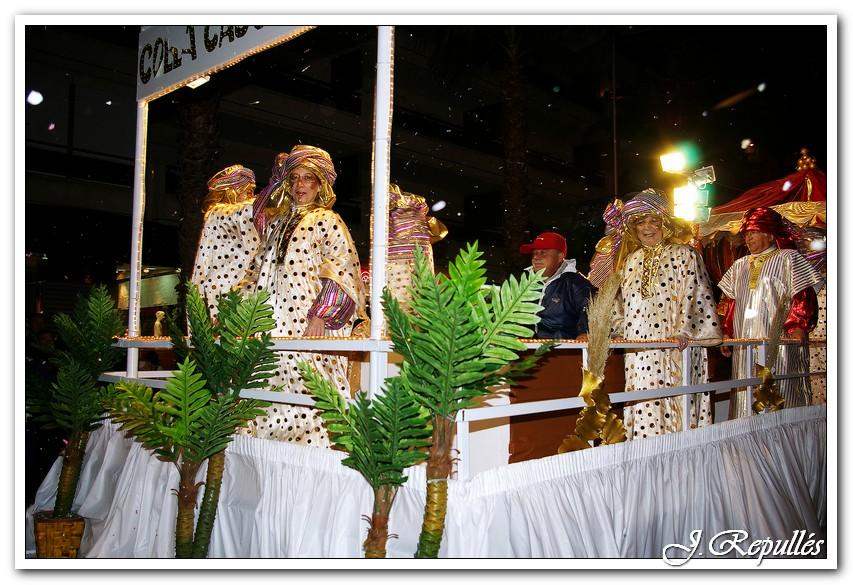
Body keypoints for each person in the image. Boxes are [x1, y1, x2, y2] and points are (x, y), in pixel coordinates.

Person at [238, 144, 366, 446]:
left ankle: (312, 453)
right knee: (265, 381)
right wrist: (237, 311)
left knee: (309, 384)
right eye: (294, 178)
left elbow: (343, 269)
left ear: (320, 184)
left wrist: (322, 315)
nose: (300, 185)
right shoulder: (276, 223)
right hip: (268, 320)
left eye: (308, 178)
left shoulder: (328, 220)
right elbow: (255, 269)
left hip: (306, 322)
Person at [589, 189, 721, 439]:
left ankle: (680, 450)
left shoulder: (684, 254)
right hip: (639, 348)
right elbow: (618, 301)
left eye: (653, 221)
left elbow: (695, 292)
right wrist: (618, 329)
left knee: (678, 399)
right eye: (641, 222)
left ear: (665, 224)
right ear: (634, 228)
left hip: (675, 343)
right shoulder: (631, 260)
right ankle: (646, 448)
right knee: (643, 398)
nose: (647, 228)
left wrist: (684, 331)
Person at [718, 207, 822, 418]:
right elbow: (730, 303)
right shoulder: (739, 265)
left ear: (769, 234)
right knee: (745, 387)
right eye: (746, 234)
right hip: (744, 341)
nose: (748, 238)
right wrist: (727, 332)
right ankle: (746, 432)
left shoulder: (788, 258)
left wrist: (798, 325)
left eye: (754, 232)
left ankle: (782, 432)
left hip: (778, 339)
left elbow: (803, 295)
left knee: (779, 387)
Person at [190, 164, 261, 320]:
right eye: (247, 191)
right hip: (221, 292)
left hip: (241, 289)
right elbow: (249, 210)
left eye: (252, 191)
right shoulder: (218, 213)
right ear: (231, 192)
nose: (251, 196)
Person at [518, 231, 594, 339]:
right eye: (534, 253)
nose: (536, 257)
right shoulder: (525, 283)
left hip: (564, 348)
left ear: (560, 256)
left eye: (543, 252)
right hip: (526, 347)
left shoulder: (575, 283)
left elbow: (591, 308)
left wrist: (585, 333)